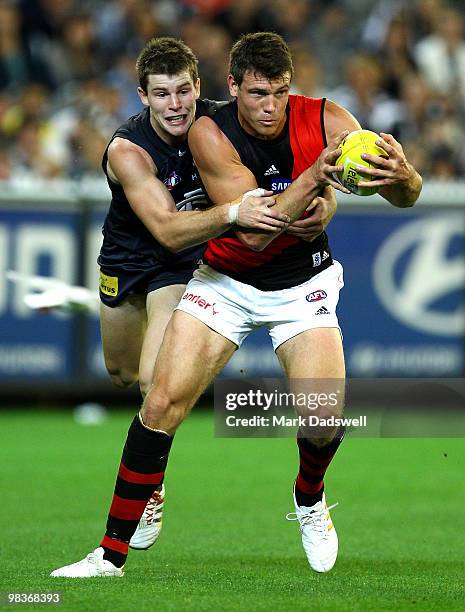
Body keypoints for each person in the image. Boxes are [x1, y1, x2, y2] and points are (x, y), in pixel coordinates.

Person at [50, 35, 339, 577]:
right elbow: (164, 228)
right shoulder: (127, 150)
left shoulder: (219, 121)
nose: (176, 104)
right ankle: (90, 312)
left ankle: (136, 512)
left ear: (201, 88)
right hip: (137, 253)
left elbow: (275, 189)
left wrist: (324, 201)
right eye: (162, 95)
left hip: (188, 260)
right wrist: (235, 212)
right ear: (142, 97)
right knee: (120, 370)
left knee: (156, 388)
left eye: (184, 91)